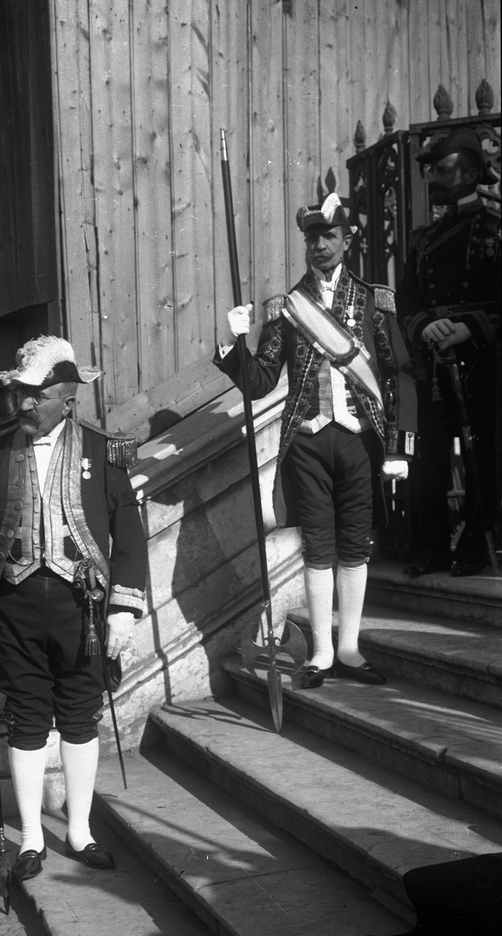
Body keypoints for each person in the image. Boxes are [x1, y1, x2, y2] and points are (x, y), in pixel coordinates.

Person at [0, 336, 147, 881]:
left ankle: (81, 831)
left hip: (80, 607)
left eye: (34, 396)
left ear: (67, 398)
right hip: (14, 606)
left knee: (80, 716)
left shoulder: (103, 451)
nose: (22, 405)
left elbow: (129, 535)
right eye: (19, 393)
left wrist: (123, 611)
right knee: (26, 718)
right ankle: (32, 841)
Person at [214, 194, 416, 689]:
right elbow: (260, 382)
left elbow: (399, 374)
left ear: (346, 240)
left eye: (329, 236)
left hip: (359, 440)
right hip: (306, 442)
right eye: (311, 238)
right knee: (317, 547)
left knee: (356, 544)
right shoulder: (286, 308)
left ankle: (350, 647)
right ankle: (322, 653)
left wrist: (399, 446)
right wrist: (233, 345)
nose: (319, 245)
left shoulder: (374, 299)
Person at [395, 127, 501, 578]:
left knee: (487, 456)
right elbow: (407, 300)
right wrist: (425, 326)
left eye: (442, 169)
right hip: (433, 363)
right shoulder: (421, 240)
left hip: (482, 361)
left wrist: (467, 328)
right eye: (430, 171)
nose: (432, 179)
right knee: (427, 459)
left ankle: (476, 546)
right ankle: (431, 549)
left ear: (472, 171)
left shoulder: (494, 231)